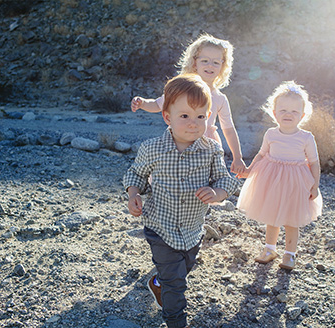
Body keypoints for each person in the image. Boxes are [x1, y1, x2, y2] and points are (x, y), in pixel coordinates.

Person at [123, 74, 240, 328]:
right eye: (185, 116)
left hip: (192, 230)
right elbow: (136, 175)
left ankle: (159, 283)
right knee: (177, 283)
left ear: (208, 117)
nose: (193, 123)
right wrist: (134, 194)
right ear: (167, 117)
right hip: (160, 228)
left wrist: (218, 193)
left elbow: (226, 180)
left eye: (200, 116)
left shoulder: (211, 149)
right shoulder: (152, 148)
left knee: (181, 270)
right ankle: (176, 321)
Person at [131, 33, 247, 175]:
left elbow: (228, 129)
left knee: (205, 180)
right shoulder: (181, 89)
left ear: (223, 66)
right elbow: (157, 104)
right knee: (174, 175)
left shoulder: (220, 98)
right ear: (194, 62)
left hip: (206, 146)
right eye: (205, 60)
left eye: (216, 62)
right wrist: (142, 103)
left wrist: (238, 157)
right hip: (180, 140)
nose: (210, 65)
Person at [237, 81, 322, 271]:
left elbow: (314, 162)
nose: (288, 115)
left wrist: (315, 185)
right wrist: (250, 170)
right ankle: (269, 249)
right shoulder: (271, 133)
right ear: (274, 113)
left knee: (292, 219)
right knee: (272, 215)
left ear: (302, 115)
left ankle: (290, 254)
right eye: (283, 110)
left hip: (297, 181)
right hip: (273, 179)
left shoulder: (306, 137)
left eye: (294, 111)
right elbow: (261, 154)